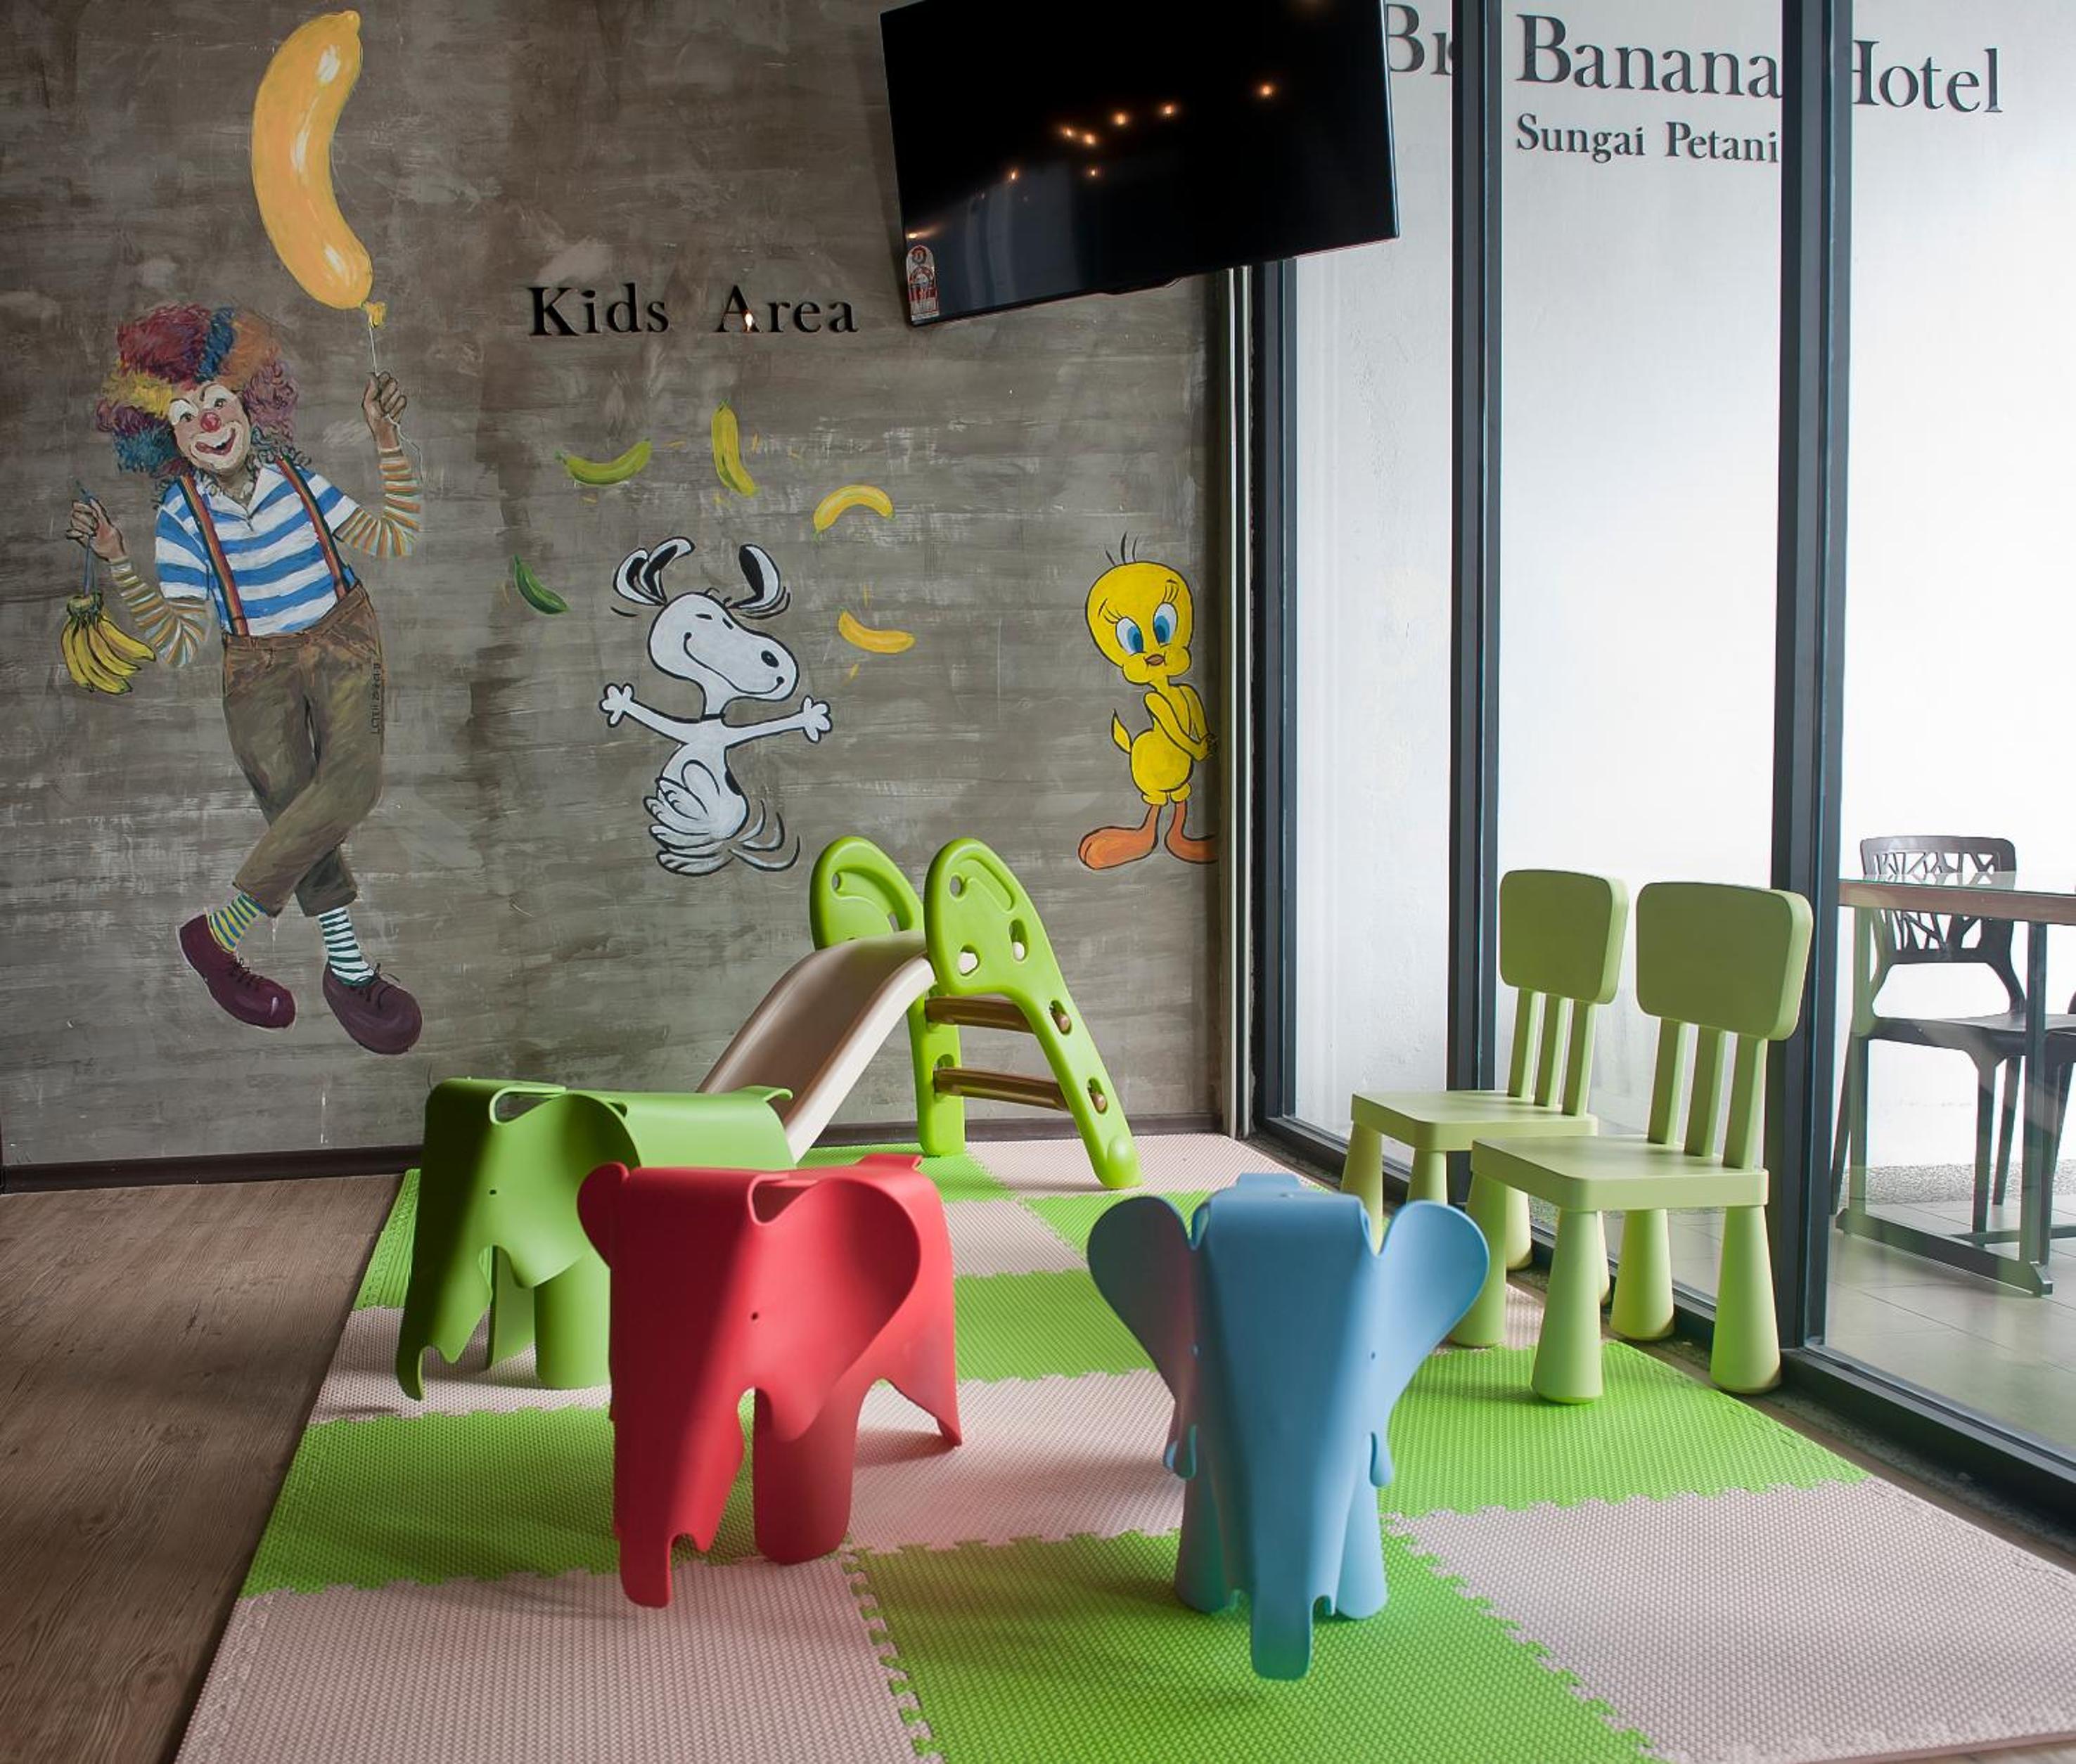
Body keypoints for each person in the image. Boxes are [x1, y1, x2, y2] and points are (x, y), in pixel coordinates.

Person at [67, 302, 425, 1053]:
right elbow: (179, 643)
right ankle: (348, 972)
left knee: (351, 785)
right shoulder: (180, 517)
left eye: (218, 401)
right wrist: (120, 563)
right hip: (256, 669)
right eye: (184, 417)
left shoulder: (297, 476)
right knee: (298, 816)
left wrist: (385, 438)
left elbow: (397, 534)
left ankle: (221, 932)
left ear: (250, 403)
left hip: (343, 638)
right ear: (164, 440)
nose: (207, 423)